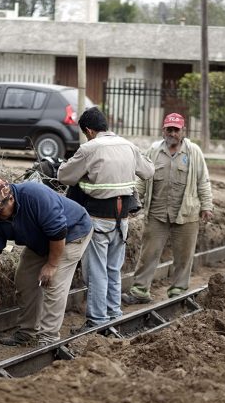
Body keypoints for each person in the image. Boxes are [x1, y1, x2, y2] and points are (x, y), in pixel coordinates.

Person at [57, 107, 153, 333]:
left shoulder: (90, 148)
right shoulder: (128, 145)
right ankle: (114, 314)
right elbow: (148, 172)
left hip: (98, 219)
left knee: (97, 271)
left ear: (89, 130)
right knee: (113, 269)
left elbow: (64, 176)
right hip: (122, 220)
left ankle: (98, 321)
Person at [0, 178, 92, 346]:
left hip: (72, 233)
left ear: (10, 199)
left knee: (53, 283)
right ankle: (27, 333)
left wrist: (52, 265)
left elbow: (58, 232)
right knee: (24, 280)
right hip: (40, 239)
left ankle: (48, 339)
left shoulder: (35, 196)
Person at [123, 112, 214, 304]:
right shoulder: (154, 151)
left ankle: (178, 292)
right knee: (148, 253)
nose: (172, 133)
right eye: (169, 129)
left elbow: (203, 181)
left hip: (186, 214)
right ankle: (140, 291)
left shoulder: (193, 152)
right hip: (157, 213)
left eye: (176, 129)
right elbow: (142, 178)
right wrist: (134, 201)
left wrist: (207, 206)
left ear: (183, 131)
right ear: (163, 130)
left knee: (184, 257)